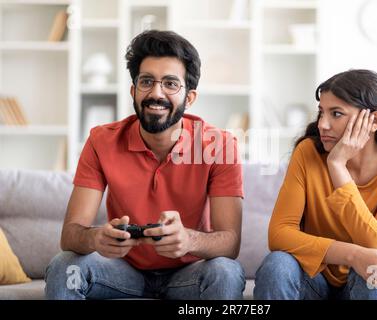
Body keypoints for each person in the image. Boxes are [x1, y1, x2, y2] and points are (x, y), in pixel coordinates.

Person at [45, 30, 245, 300]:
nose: (156, 93)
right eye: (147, 81)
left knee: (226, 271)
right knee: (64, 265)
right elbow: (70, 236)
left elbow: (230, 243)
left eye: (171, 83)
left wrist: (188, 240)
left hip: (189, 274)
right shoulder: (101, 141)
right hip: (122, 271)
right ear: (133, 90)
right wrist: (96, 239)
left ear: (190, 97)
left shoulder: (219, 145)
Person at [253, 69, 377, 300]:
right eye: (321, 112)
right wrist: (353, 255)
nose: (323, 124)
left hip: (373, 275)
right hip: (316, 275)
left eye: (336, 114)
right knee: (277, 264)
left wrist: (337, 166)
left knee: (376, 279)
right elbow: (279, 235)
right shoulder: (308, 152)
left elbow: (376, 242)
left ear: (373, 120)